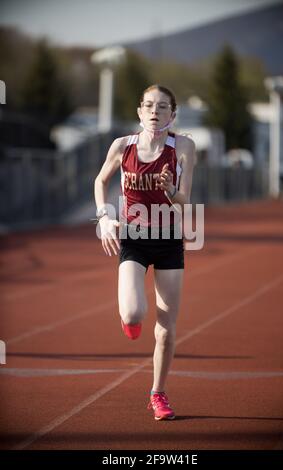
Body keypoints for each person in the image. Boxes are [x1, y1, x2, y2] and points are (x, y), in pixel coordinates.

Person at [94, 84, 195, 420]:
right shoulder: (123, 146)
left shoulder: (183, 147)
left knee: (166, 325)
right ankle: (131, 319)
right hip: (134, 237)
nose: (155, 112)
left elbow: (186, 201)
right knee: (135, 314)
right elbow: (100, 181)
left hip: (168, 239)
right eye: (149, 106)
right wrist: (105, 217)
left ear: (173, 114)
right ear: (139, 111)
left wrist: (170, 190)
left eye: (163, 107)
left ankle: (158, 393)